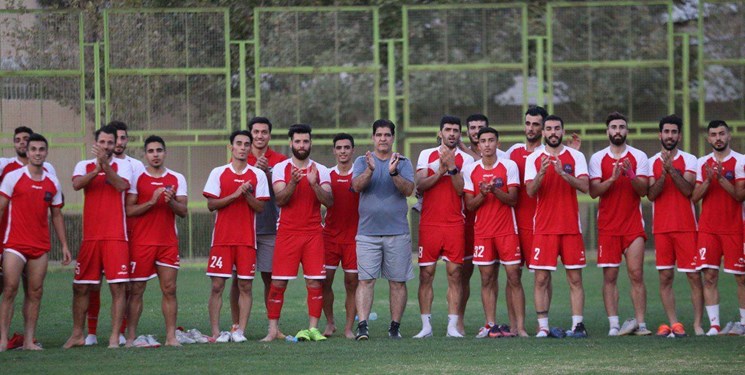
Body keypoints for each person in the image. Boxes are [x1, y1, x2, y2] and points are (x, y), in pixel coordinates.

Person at [261, 124, 333, 342]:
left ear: (311, 143)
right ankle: (273, 329)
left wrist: (314, 185)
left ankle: (313, 329)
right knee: (278, 283)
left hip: (313, 234)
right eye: (298, 141)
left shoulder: (321, 170)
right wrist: (294, 181)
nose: (302, 145)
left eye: (306, 141)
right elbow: (281, 199)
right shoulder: (281, 169)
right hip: (287, 233)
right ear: (291, 143)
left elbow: (329, 201)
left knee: (314, 283)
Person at [63, 124, 132, 349]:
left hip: (116, 237)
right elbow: (75, 185)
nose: (106, 146)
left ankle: (113, 337)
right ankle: (77, 334)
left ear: (115, 144)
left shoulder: (124, 166)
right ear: (95, 143)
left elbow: (121, 185)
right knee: (81, 287)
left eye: (110, 142)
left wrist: (105, 166)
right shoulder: (83, 165)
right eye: (102, 142)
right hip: (90, 238)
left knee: (118, 288)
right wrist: (95, 170)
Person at [0, 133, 70, 351]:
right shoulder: (13, 177)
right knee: (10, 289)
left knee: (35, 292)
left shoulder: (52, 181)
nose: (37, 153)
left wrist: (65, 245)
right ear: (27, 152)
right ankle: (2, 340)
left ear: (46, 152)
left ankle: (29, 341)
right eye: (33, 149)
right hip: (14, 244)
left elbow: (57, 215)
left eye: (41, 149)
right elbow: (1, 207)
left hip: (40, 247)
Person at [525, 114, 589, 338]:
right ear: (543, 132)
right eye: (549, 129)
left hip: (571, 227)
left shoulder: (576, 156)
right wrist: (543, 172)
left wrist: (563, 173)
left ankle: (578, 325)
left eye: (557, 129)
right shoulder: (533, 158)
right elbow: (531, 191)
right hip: (544, 228)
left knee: (575, 278)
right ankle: (543, 326)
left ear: (562, 131)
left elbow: (585, 186)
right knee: (541, 278)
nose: (553, 133)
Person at [588, 112, 651, 336]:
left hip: (633, 225)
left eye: (621, 127)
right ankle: (614, 325)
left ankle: (641, 324)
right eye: (613, 127)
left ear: (627, 130)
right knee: (610, 276)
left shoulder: (639, 156)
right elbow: (594, 191)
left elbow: (644, 191)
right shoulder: (598, 158)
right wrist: (613, 178)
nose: (617, 131)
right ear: (607, 131)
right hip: (608, 227)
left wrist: (631, 174)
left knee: (636, 273)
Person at [352, 119, 415, 340]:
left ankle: (395, 327)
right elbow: (356, 186)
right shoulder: (362, 161)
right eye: (379, 135)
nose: (382, 139)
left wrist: (394, 173)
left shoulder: (402, 161)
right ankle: (362, 327)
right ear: (373, 137)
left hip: (397, 232)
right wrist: (370, 170)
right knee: (366, 280)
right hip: (367, 233)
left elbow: (408, 190)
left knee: (397, 282)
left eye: (387, 135)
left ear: (392, 138)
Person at [203, 130, 268, 343]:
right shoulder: (218, 172)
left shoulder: (257, 175)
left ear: (250, 148)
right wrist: (235, 194)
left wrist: (247, 194)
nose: (242, 147)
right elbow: (211, 205)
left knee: (245, 286)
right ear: (231, 147)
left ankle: (240, 331)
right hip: (221, 240)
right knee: (217, 286)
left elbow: (260, 207)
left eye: (246, 144)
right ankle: (215, 332)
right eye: (238, 143)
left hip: (246, 241)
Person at [413, 116, 474, 338]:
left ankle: (452, 327)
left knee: (455, 274)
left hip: (454, 223)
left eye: (456, 130)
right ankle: (426, 327)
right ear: (440, 133)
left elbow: (460, 191)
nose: (451, 134)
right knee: (426, 274)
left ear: (460, 134)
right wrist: (439, 171)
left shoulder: (466, 160)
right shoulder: (426, 155)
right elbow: (420, 185)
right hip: (429, 223)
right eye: (447, 130)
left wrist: (452, 169)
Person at [124, 136, 188, 347]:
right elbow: (129, 210)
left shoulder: (177, 178)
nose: (155, 154)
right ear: (145, 154)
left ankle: (171, 337)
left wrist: (170, 203)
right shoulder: (137, 177)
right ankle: (131, 337)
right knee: (136, 290)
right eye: (151, 151)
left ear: (165, 152)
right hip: (141, 243)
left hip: (167, 243)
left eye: (159, 150)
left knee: (169, 289)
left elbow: (183, 212)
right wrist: (152, 201)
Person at [86, 120, 144, 346]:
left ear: (126, 140)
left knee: (124, 285)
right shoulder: (89, 164)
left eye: (121, 138)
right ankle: (91, 331)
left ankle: (121, 331)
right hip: (102, 232)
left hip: (127, 232)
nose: (117, 143)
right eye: (112, 139)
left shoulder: (134, 165)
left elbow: (135, 196)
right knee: (92, 284)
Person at [462, 127, 524, 339]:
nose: (487, 144)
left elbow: (513, 199)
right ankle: (490, 324)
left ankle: (519, 327)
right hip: (484, 232)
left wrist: (495, 190)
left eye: (491, 140)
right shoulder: (471, 170)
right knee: (487, 278)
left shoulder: (509, 166)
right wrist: (482, 194)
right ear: (478, 145)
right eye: (483, 141)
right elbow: (470, 205)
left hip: (507, 230)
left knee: (514, 276)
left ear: (498, 143)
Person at [228, 117, 287, 335]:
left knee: (270, 278)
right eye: (256, 132)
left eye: (264, 132)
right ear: (250, 134)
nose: (260, 135)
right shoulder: (241, 157)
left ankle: (274, 326)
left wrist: (268, 172)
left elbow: (283, 193)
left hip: (269, 227)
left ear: (269, 135)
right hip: (243, 229)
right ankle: (236, 325)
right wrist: (254, 168)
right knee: (238, 279)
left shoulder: (280, 160)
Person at [647, 114, 703, 337]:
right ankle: (674, 324)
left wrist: (671, 170)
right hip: (661, 229)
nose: (669, 136)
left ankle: (698, 324)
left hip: (687, 227)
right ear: (660, 134)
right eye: (666, 132)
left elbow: (688, 190)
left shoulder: (690, 160)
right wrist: (663, 173)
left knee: (693, 276)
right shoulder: (651, 162)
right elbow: (651, 194)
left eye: (674, 132)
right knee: (665, 277)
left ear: (679, 136)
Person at [692, 120, 745, 336]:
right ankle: (714, 324)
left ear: (729, 135)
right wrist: (707, 180)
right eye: (713, 135)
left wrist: (721, 178)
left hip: (735, 228)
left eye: (721, 133)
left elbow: (740, 195)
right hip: (708, 229)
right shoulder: (702, 163)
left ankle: (743, 323)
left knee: (741, 277)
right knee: (709, 276)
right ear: (708, 139)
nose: (718, 138)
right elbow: (694, 198)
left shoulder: (740, 161)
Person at [0, 126, 57, 296]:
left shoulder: (48, 170)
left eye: (26, 139)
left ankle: (28, 323)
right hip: (6, 234)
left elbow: (54, 202)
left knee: (32, 287)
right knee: (6, 285)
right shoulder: (5, 165)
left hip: (34, 238)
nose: (22, 143)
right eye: (18, 140)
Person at [322, 133, 359, 339]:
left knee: (352, 282)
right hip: (329, 237)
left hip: (354, 237)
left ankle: (348, 328)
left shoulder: (360, 174)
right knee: (324, 281)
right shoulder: (327, 175)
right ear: (334, 151)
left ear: (353, 150)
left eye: (346, 147)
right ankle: (330, 323)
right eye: (339, 148)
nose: (343, 151)